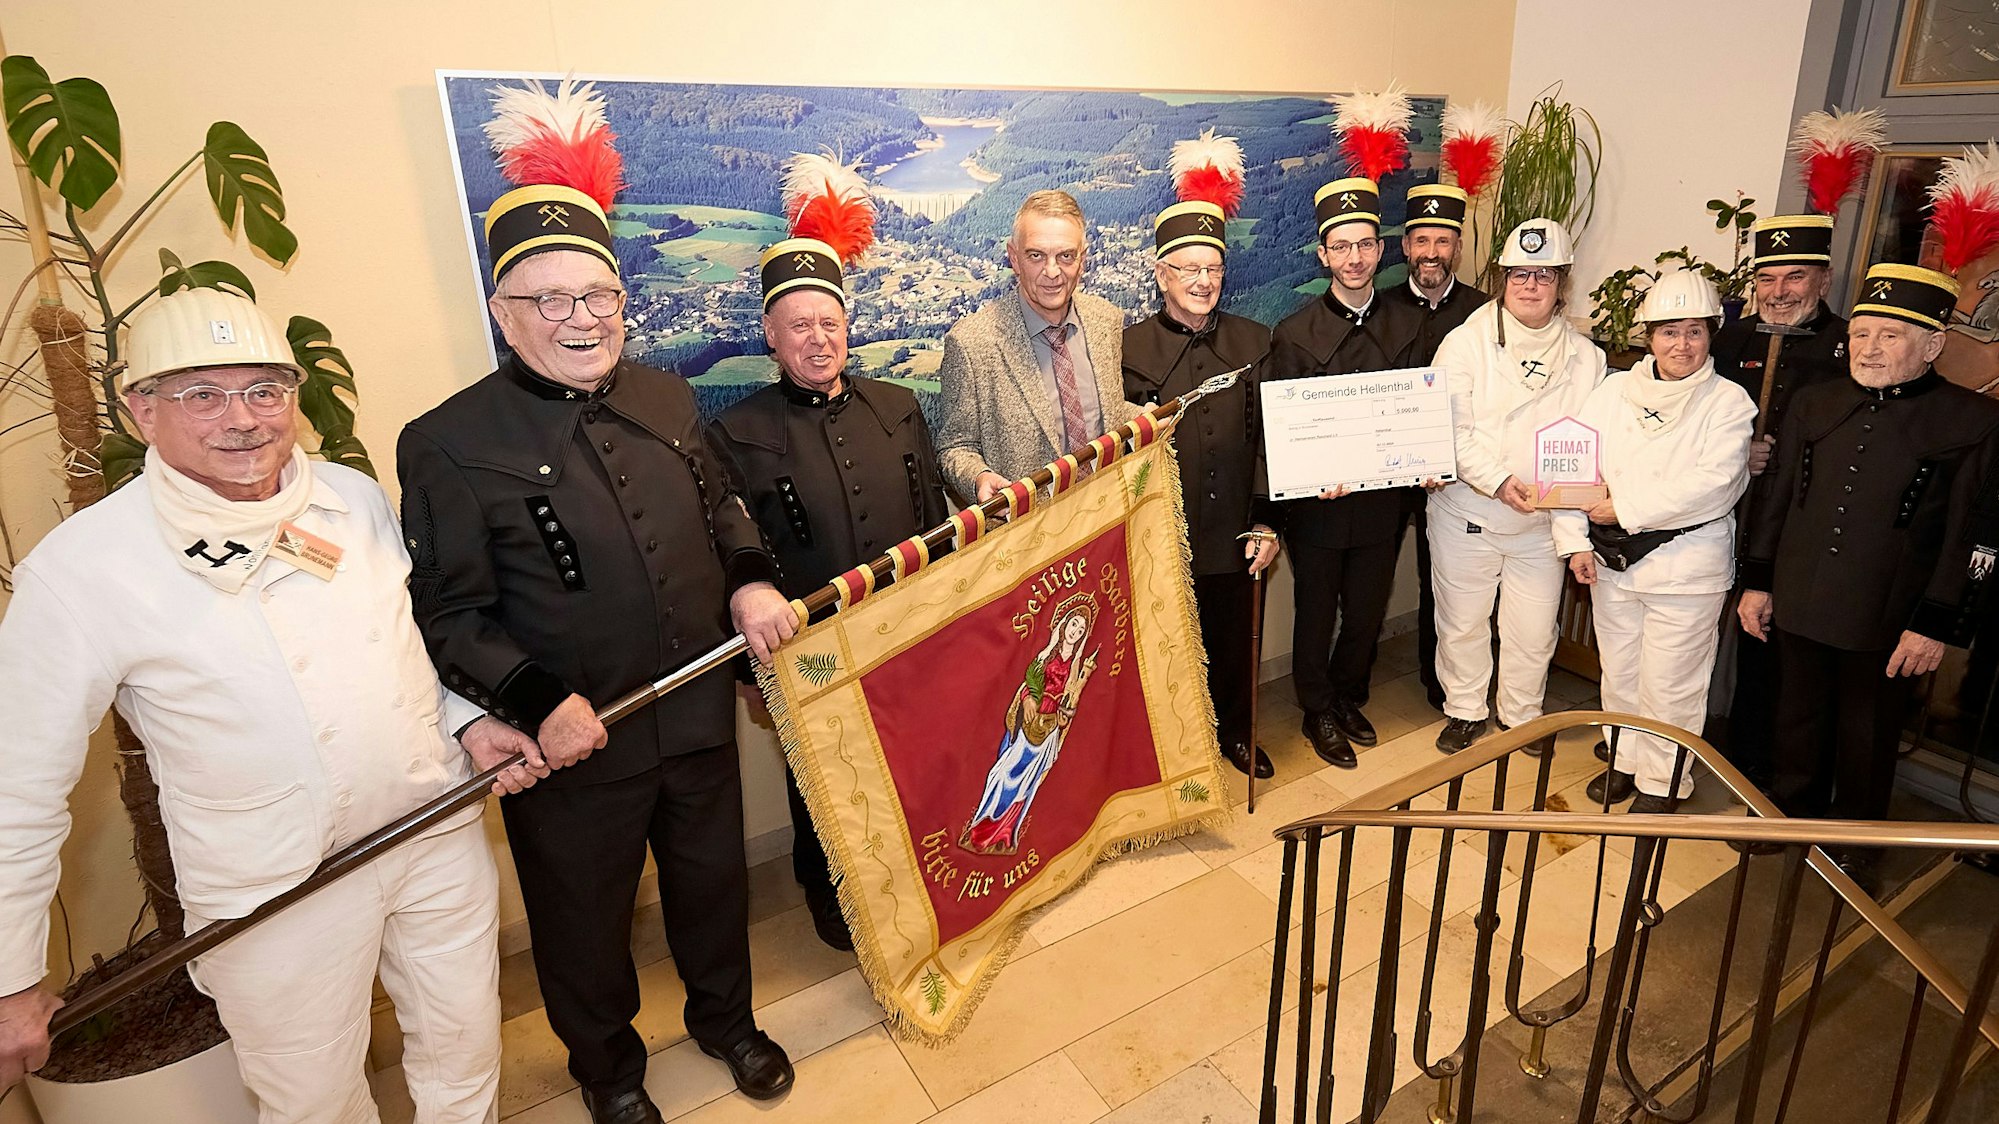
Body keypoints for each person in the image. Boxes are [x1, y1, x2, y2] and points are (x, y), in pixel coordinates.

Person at [0, 289, 540, 1122]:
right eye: (201, 395)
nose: (242, 419)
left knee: (464, 1048)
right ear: (141, 409)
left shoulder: (350, 500)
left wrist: (470, 724)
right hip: (274, 889)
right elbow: (18, 788)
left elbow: (409, 651)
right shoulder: (81, 570)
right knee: (313, 1100)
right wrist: (11, 980)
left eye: (264, 390)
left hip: (429, 832)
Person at [398, 96, 795, 1124]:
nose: (582, 318)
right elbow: (447, 615)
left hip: (696, 716)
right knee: (583, 922)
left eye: (599, 293)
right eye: (549, 299)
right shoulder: (444, 441)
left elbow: (724, 509)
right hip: (573, 743)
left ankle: (726, 1019)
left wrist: (750, 575)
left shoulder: (665, 397)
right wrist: (537, 700)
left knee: (712, 886)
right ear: (502, 310)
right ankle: (610, 1072)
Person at [706, 156, 948, 950]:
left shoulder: (899, 405)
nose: (818, 339)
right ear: (770, 336)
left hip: (904, 627)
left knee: (913, 759)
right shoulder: (733, 432)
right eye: (799, 326)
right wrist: (752, 665)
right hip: (807, 648)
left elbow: (929, 519)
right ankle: (826, 886)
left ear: (850, 327)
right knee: (822, 778)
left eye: (830, 323)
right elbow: (730, 550)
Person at [1739, 262, 1999, 843]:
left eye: (1890, 335)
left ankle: (1858, 842)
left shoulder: (1976, 421)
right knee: (1794, 718)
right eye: (1861, 332)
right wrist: (1759, 582)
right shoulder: (1814, 401)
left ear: (1932, 344)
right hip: (1801, 597)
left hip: (1890, 614)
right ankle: (1789, 819)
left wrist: (1935, 624)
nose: (1870, 348)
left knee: (1869, 735)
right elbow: (1777, 496)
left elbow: (1972, 534)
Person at [1554, 270, 1755, 812]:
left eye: (1694, 332)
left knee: (1672, 686)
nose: (1681, 345)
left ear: (1711, 334)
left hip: (1686, 570)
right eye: (1669, 332)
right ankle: (1623, 759)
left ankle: (1663, 782)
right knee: (1620, 673)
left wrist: (1625, 506)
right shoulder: (1614, 390)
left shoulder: (1729, 402)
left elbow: (1714, 486)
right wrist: (1574, 540)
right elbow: (1576, 464)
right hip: (1612, 561)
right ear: (1649, 336)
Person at [1122, 130, 1279, 779]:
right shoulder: (1126, 350)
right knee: (1161, 649)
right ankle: (1173, 751)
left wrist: (1269, 521)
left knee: (1232, 645)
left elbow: (1273, 441)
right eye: (1187, 268)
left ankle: (1236, 733)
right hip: (1159, 535)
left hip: (1236, 531)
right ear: (1161, 275)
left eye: (1212, 268)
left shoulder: (1255, 340)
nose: (1202, 281)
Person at [1428, 218, 1606, 753]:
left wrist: (1572, 530)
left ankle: (1521, 715)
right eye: (1520, 274)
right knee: (1462, 623)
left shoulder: (1588, 359)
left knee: (1532, 631)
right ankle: (1464, 709)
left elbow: (1586, 448)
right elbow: (1449, 432)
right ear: (1504, 279)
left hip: (1542, 524)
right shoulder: (1463, 344)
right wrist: (1500, 480)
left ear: (1561, 284)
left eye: (1544, 275)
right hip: (1469, 514)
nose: (1531, 286)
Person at [1263, 176, 1423, 768]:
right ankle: (1316, 708)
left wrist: (1425, 460)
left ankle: (1350, 694)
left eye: (1365, 245)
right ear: (1323, 254)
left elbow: (1418, 410)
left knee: (1366, 610)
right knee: (1315, 609)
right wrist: (1309, 476)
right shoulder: (1295, 334)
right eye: (1341, 246)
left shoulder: (1407, 326)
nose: (1354, 258)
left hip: (1382, 504)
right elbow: (1282, 429)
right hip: (1318, 507)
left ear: (1380, 251)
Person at [1705, 214, 1850, 783]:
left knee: (1769, 644)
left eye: (1794, 278)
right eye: (1767, 279)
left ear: (1824, 279)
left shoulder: (1848, 347)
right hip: (1725, 514)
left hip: (1795, 525)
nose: (1779, 293)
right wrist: (1735, 450)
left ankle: (1760, 767)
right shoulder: (1730, 339)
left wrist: (1781, 458)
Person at [937, 190, 1139, 503]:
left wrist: (1144, 419)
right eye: (1036, 256)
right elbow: (954, 447)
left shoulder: (1106, 321)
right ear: (1013, 257)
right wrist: (978, 478)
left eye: (1065, 256)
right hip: (1028, 539)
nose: (1053, 272)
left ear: (1082, 260)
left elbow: (1102, 414)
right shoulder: (971, 344)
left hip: (1106, 522)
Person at [1389, 183, 1491, 711]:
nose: (1432, 252)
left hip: (1456, 478)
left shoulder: (1486, 315)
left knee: (1445, 581)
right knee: (1375, 579)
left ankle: (1442, 681)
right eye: (1421, 240)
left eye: (1443, 241)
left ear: (1457, 246)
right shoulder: (1380, 309)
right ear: (1406, 246)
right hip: (1386, 473)